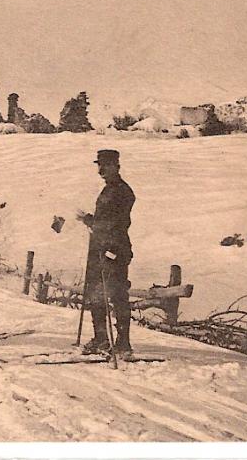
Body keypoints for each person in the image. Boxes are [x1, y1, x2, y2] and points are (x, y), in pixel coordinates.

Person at [76, 149, 136, 360]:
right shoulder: (108, 190)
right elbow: (106, 218)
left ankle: (123, 343)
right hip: (100, 249)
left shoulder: (122, 191)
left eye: (106, 165)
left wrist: (92, 223)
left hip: (114, 250)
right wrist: (91, 220)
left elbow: (118, 223)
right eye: (99, 165)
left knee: (117, 295)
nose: (101, 169)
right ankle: (101, 338)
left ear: (116, 166)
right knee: (96, 295)